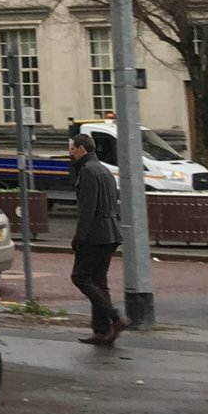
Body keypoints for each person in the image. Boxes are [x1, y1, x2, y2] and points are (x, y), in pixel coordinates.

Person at [67, 131, 128, 345]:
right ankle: (102, 331)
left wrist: (79, 237)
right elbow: (114, 201)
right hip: (111, 232)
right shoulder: (104, 170)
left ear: (82, 149)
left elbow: (87, 209)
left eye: (72, 149)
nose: (70, 154)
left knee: (80, 277)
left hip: (96, 234)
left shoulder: (87, 171)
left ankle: (114, 317)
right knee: (99, 281)